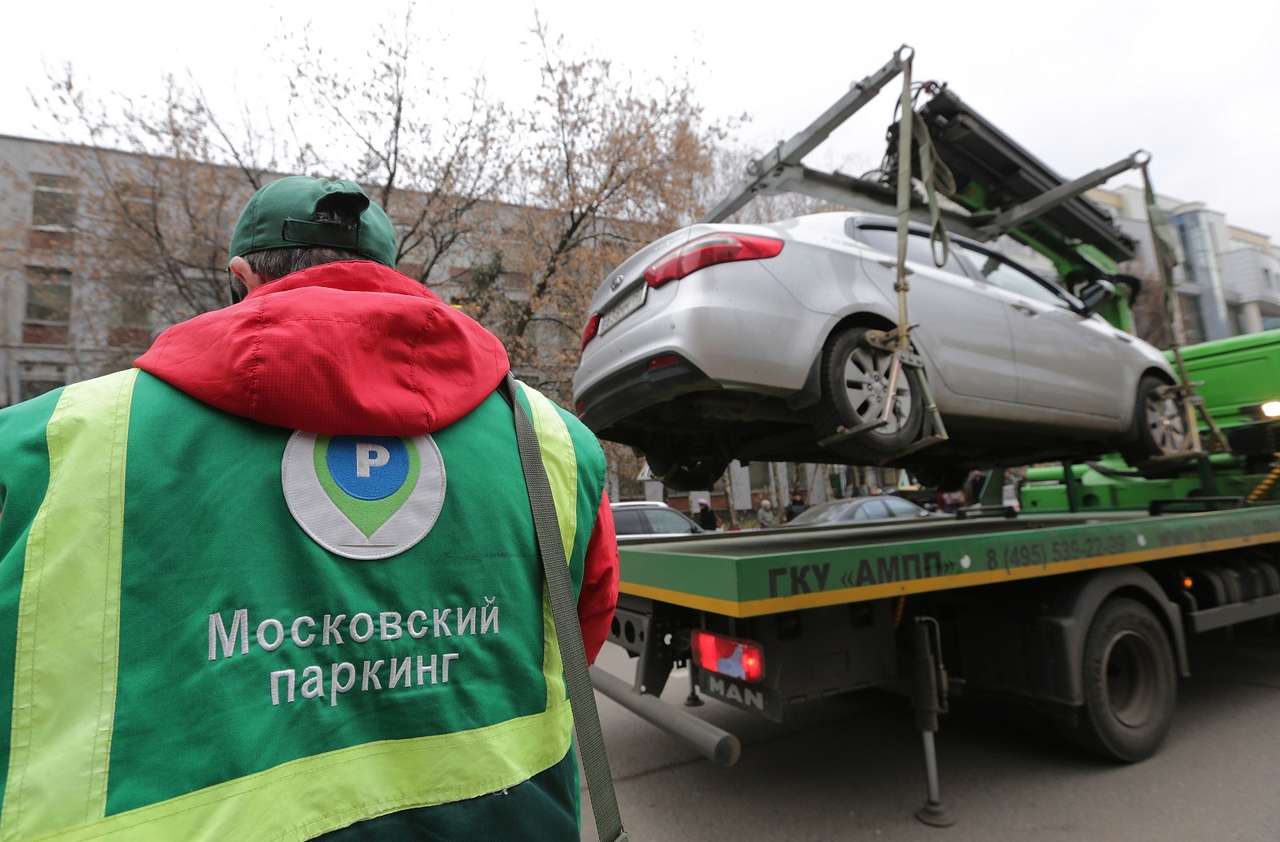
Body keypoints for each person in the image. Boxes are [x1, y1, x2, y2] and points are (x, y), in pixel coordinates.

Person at [0, 176, 619, 841]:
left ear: (241, 278)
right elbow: (579, 633)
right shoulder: (554, 442)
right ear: (390, 277)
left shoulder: (49, 443)